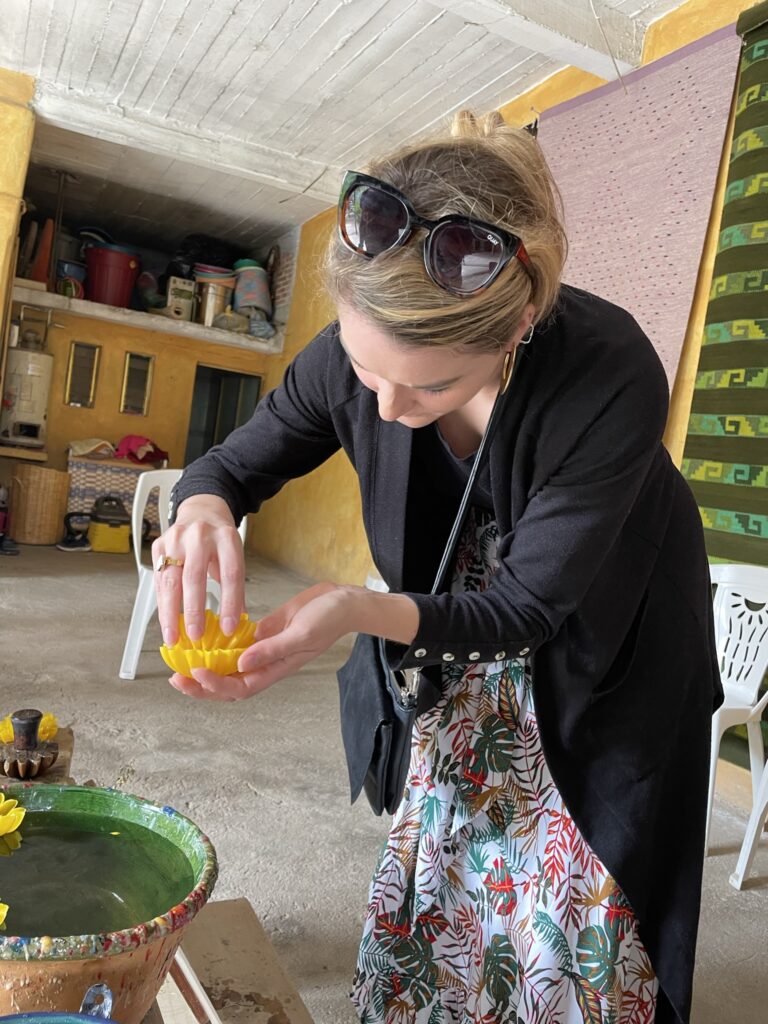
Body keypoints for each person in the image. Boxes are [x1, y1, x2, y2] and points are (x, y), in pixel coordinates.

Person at [155, 110, 721, 1024]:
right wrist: (203, 507)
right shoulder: (357, 357)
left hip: (614, 644)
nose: (382, 407)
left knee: (576, 885)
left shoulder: (609, 372)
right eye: (365, 368)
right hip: (456, 644)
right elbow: (233, 463)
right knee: (455, 841)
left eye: (428, 387)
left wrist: (351, 609)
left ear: (517, 325)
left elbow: (530, 605)